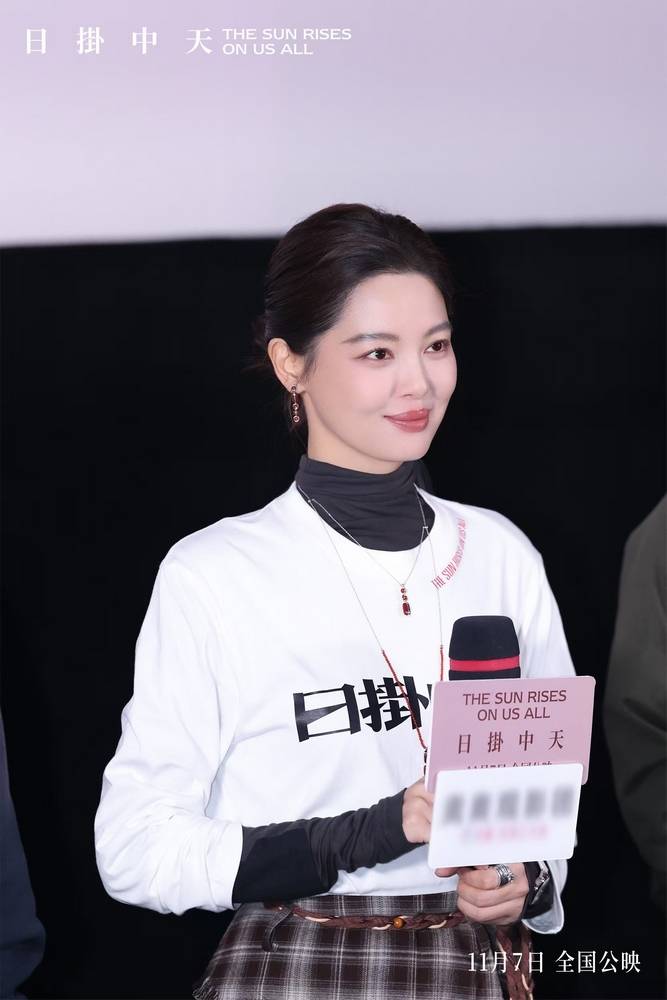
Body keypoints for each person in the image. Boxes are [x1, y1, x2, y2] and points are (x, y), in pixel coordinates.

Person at [94, 203, 576, 1000]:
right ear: (291, 363)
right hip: (300, 956)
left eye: (436, 345)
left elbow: (545, 801)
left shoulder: (500, 554)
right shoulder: (216, 573)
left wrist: (529, 881)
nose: (418, 381)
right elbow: (135, 850)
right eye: (377, 352)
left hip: (477, 963)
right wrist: (375, 830)